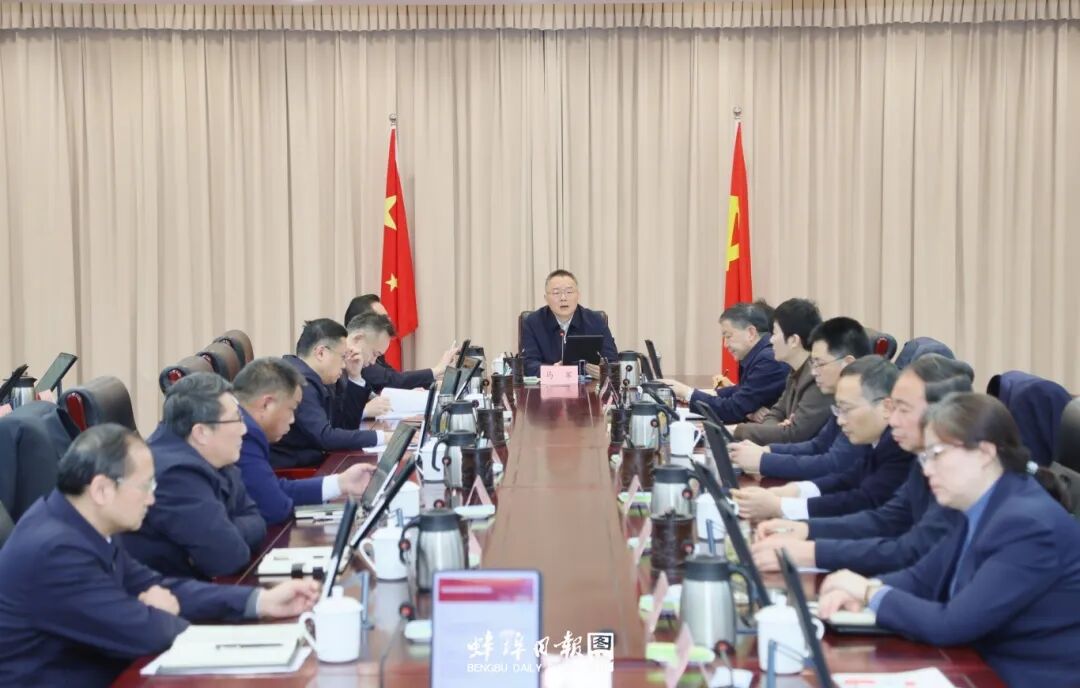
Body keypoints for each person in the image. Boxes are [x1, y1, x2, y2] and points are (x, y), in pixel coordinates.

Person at [0, 424, 319, 687]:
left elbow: (158, 586)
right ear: (101, 489)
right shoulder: (56, 551)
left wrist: (260, 601)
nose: (152, 499)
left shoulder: (82, 521)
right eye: (145, 487)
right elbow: (143, 632)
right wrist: (159, 612)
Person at [817, 393, 1080, 687]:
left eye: (936, 454)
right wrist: (865, 589)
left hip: (1019, 676)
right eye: (924, 457)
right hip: (979, 662)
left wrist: (869, 593)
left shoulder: (1028, 526)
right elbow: (922, 578)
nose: (927, 469)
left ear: (984, 453)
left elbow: (952, 624)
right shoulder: (978, 503)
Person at [751, 354, 973, 574]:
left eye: (903, 409)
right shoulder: (921, 458)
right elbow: (885, 518)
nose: (893, 419)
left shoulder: (951, 476)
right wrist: (803, 528)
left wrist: (809, 550)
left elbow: (910, 549)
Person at [733, 356, 912, 520]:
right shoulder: (875, 436)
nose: (840, 420)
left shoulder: (901, 446)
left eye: (820, 363)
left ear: (887, 407)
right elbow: (847, 480)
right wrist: (788, 492)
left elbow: (864, 502)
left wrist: (781, 507)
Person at [122, 373, 266, 578]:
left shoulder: (214, 456)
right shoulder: (175, 475)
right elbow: (227, 557)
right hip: (162, 592)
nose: (244, 430)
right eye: (236, 420)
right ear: (201, 433)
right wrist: (226, 534)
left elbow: (257, 519)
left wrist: (227, 530)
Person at [233, 357, 377, 525]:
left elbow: (272, 489)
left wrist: (341, 482)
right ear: (266, 404)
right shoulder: (244, 433)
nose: (293, 420)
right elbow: (274, 507)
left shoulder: (244, 424)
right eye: (291, 409)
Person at [727, 317, 871, 478]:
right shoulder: (842, 403)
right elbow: (817, 446)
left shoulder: (864, 407)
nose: (814, 372)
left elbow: (832, 464)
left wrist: (763, 460)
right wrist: (765, 451)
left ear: (848, 363)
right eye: (813, 364)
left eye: (820, 364)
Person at [270, 317, 391, 469]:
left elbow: (344, 427)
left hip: (314, 464)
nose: (344, 364)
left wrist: (355, 377)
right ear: (321, 353)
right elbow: (325, 437)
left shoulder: (317, 378)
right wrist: (383, 437)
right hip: (295, 471)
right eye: (342, 357)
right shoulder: (299, 380)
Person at [662, 301, 789, 424]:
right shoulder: (758, 355)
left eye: (728, 336)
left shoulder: (768, 359)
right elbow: (741, 392)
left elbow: (732, 409)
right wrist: (696, 393)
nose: (725, 345)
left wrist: (686, 393)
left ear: (751, 333)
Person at [730, 298, 831, 444]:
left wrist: (739, 430)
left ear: (793, 340)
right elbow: (774, 414)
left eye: (775, 333)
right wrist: (779, 430)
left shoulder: (818, 378)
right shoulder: (795, 372)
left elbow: (795, 434)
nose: (771, 340)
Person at [343, 294, 457, 392]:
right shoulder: (348, 360)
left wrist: (431, 385)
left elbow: (394, 380)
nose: (388, 322)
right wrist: (437, 370)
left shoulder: (371, 353)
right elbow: (392, 380)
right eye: (382, 319)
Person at [520, 269, 617, 376]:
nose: (563, 298)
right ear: (546, 298)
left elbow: (612, 362)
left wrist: (603, 371)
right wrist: (552, 371)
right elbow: (528, 364)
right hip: (547, 385)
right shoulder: (533, 322)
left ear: (578, 295)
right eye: (556, 293)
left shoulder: (596, 321)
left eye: (569, 292)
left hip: (587, 386)